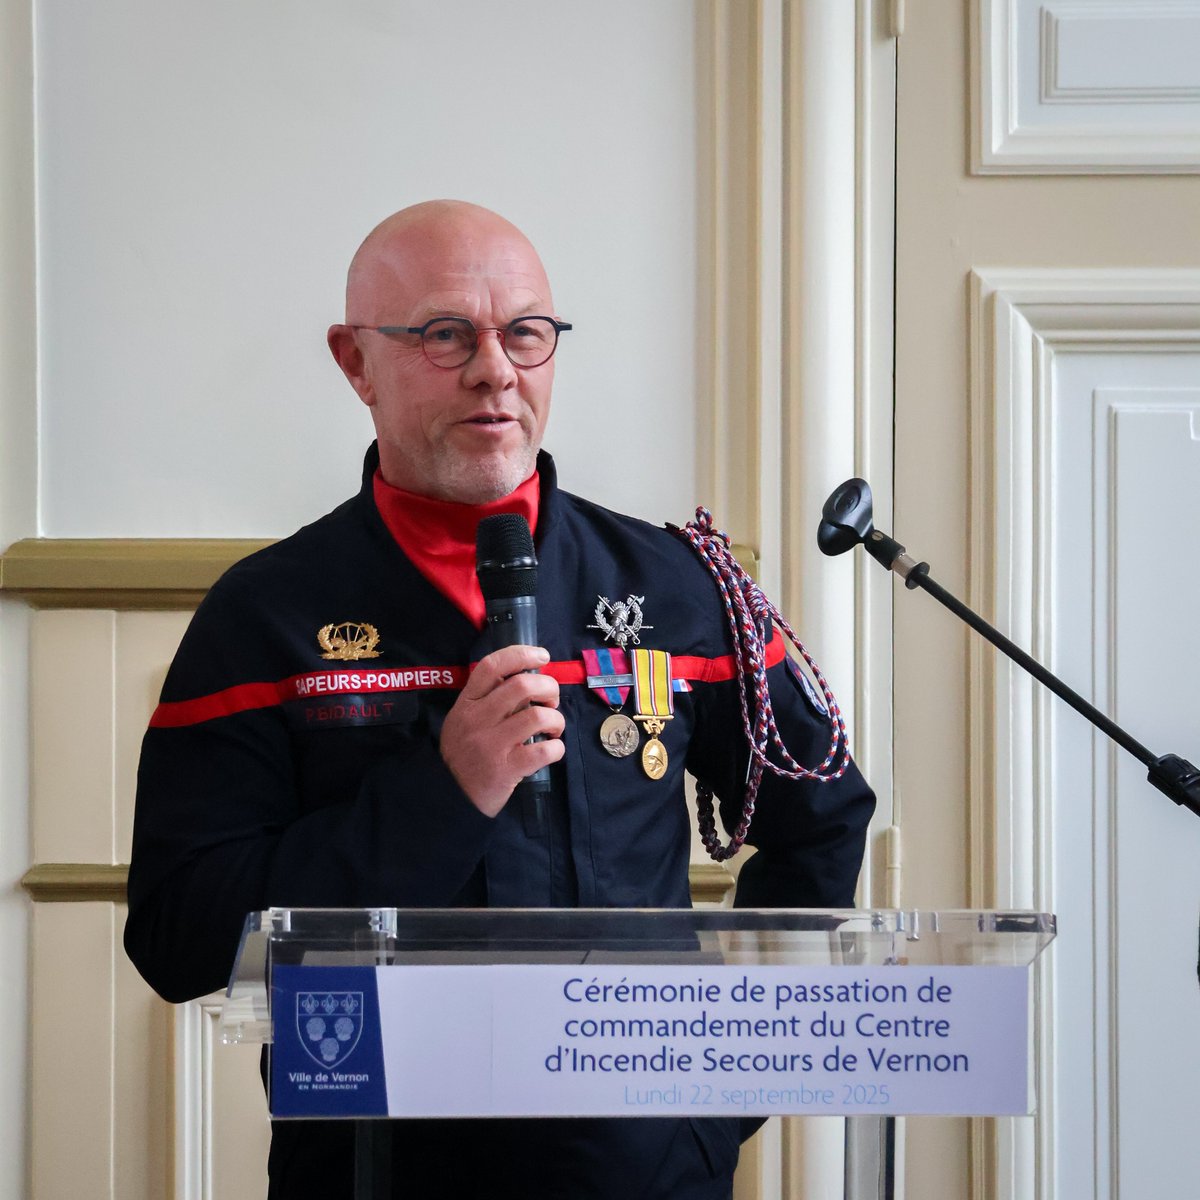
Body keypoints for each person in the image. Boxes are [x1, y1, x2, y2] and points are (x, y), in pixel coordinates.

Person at [124, 200, 875, 1199]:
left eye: (526, 332)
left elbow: (821, 819)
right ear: (356, 362)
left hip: (644, 1173)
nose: (495, 369)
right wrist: (446, 793)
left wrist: (720, 1087)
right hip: (374, 1168)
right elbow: (180, 934)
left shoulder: (681, 586)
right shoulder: (265, 616)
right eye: (445, 334)